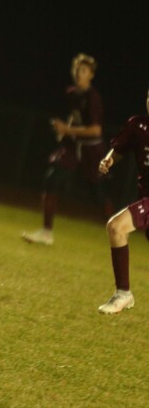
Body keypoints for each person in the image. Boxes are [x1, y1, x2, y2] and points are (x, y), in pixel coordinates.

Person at [22, 53, 113, 245]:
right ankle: (46, 233)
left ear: (91, 75)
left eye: (84, 70)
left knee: (97, 195)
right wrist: (64, 131)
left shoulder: (93, 97)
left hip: (91, 150)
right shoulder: (72, 93)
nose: (79, 73)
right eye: (77, 70)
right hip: (73, 146)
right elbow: (75, 117)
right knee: (52, 178)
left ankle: (119, 232)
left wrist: (68, 129)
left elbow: (96, 130)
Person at [96, 86, 149, 314]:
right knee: (116, 228)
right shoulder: (137, 125)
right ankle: (123, 293)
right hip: (145, 197)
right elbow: (120, 149)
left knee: (116, 227)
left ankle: (123, 293)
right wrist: (108, 160)